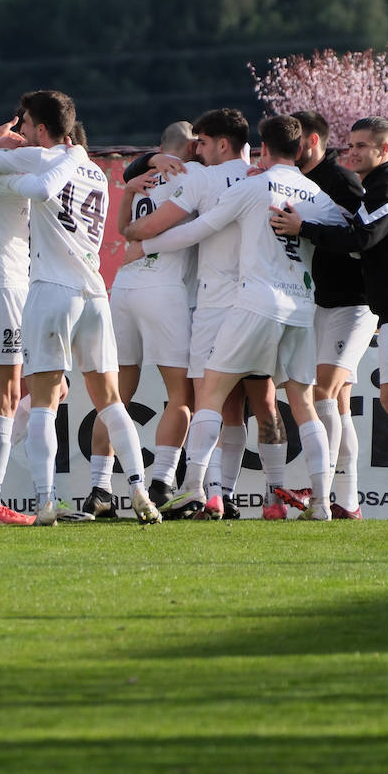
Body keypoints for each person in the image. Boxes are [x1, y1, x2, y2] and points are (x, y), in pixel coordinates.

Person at [133, 115, 347, 521]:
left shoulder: (253, 185)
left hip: (254, 304)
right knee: (302, 404)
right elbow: (346, 233)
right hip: (300, 307)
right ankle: (320, 503)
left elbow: (199, 229)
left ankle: (195, 488)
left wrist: (144, 247)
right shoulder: (316, 193)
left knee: (210, 394)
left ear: (262, 149)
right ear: (301, 150)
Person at [0, 90, 160, 526]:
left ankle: (46, 500)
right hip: (95, 293)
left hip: (52, 290)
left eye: (28, 124)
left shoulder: (43, 159)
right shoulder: (96, 173)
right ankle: (140, 490)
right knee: (110, 401)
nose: (25, 132)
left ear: (43, 130)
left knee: (45, 402)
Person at [271, 116, 388, 521]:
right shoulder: (376, 187)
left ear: (384, 150)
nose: (351, 151)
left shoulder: (387, 187)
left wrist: (304, 226)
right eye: (350, 144)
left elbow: (360, 238)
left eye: (362, 146)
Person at [0, 115, 83, 525]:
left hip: (3, 286)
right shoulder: (2, 173)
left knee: (55, 388)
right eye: (17, 139)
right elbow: (42, 181)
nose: (25, 144)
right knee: (6, 395)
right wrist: (73, 152)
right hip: (1, 286)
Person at [122, 108, 257, 520]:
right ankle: (237, 494)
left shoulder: (197, 177)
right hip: (258, 300)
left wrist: (137, 236)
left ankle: (194, 489)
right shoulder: (259, 176)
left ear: (219, 143)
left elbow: (152, 227)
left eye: (204, 142)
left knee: (197, 398)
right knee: (250, 403)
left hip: (201, 299)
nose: (198, 149)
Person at [85, 120, 198, 519]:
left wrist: (133, 185)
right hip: (163, 289)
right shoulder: (193, 175)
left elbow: (122, 231)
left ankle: (99, 489)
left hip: (124, 288)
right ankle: (162, 481)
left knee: (115, 398)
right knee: (182, 395)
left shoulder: (143, 176)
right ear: (190, 147)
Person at [289, 110, 374, 520]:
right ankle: (349, 503)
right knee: (339, 401)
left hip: (353, 304)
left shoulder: (339, 181)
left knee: (322, 392)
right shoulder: (298, 180)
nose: (295, 146)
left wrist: (304, 227)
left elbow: (364, 240)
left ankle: (321, 491)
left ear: (316, 140)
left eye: (300, 138)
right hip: (319, 303)